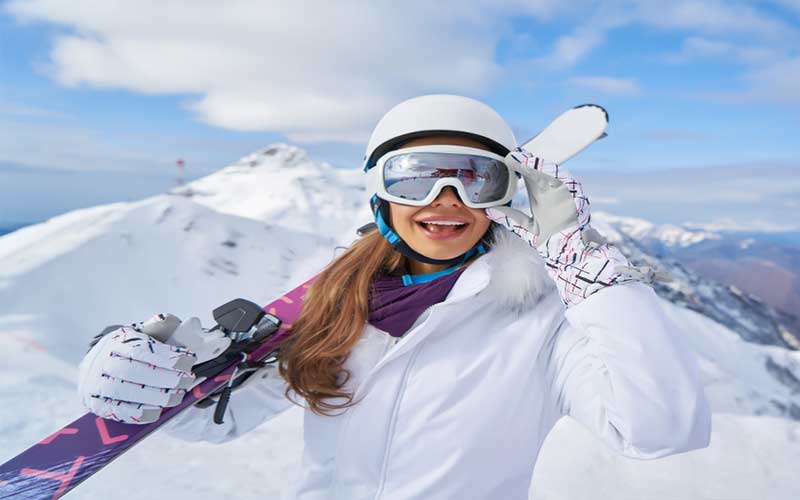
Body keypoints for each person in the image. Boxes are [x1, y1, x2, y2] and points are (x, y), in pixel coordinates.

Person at [77, 94, 711, 499]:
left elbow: (661, 429)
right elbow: (216, 423)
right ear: (379, 196)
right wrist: (133, 379)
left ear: (504, 194)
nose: (445, 203)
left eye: (474, 178)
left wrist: (586, 269)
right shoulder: (333, 307)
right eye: (415, 178)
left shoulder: (544, 320)